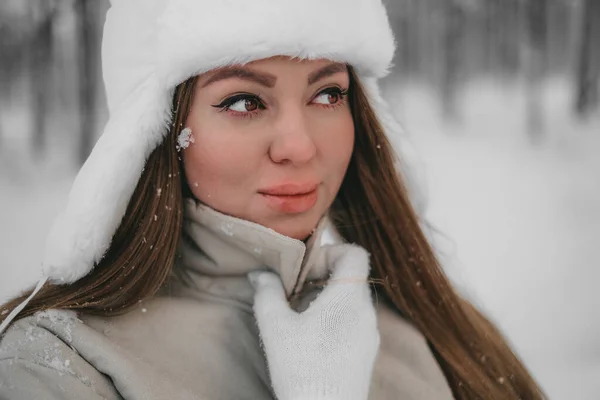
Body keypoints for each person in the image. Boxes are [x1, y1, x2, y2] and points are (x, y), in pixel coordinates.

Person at [0, 0, 546, 399]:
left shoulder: (427, 322)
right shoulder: (59, 367)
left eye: (328, 93)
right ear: (156, 132)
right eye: (243, 101)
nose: (299, 146)